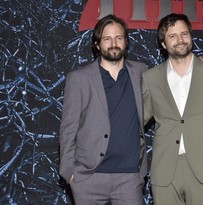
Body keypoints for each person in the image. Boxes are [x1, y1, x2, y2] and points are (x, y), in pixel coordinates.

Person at [142, 13, 203, 205]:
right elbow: (139, 120)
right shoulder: (150, 78)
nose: (180, 40)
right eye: (172, 36)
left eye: (184, 33)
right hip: (165, 170)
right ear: (163, 44)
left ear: (190, 36)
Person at [59, 14, 147, 205]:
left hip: (129, 178)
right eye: (107, 38)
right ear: (97, 44)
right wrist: (69, 173)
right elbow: (68, 129)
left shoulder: (142, 73)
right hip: (88, 177)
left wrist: (196, 64)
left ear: (126, 42)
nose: (113, 43)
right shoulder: (79, 78)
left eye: (119, 38)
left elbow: (173, 74)